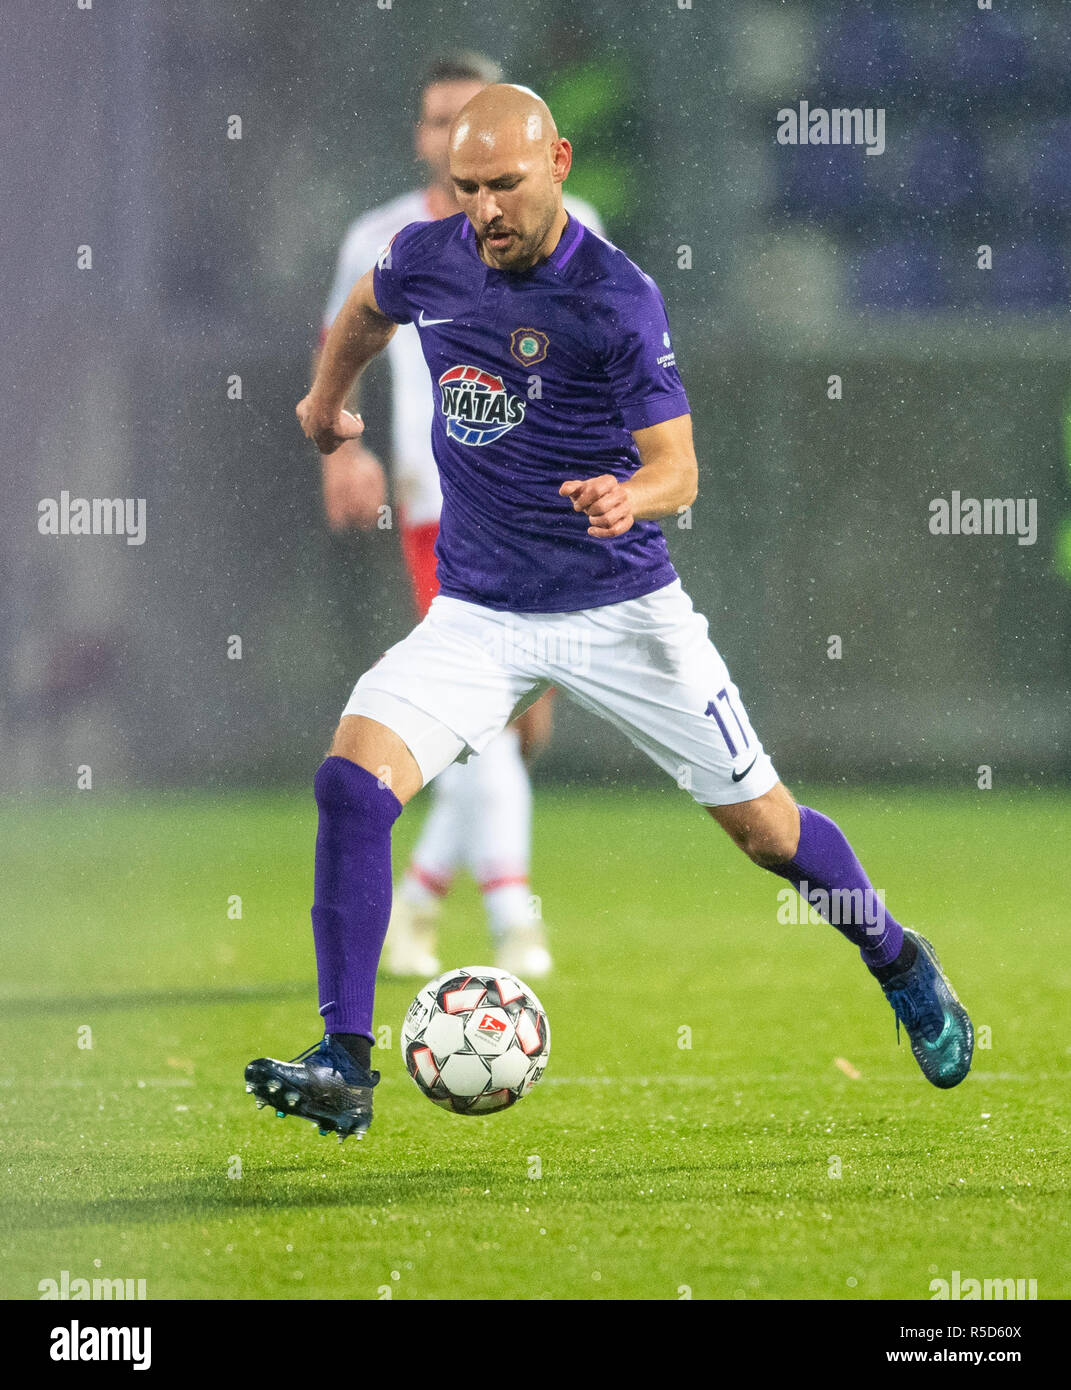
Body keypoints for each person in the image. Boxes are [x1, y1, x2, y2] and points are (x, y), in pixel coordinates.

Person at [245, 84, 973, 1142]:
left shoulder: (613, 295)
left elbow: (679, 465)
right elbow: (366, 305)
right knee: (351, 784)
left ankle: (900, 959)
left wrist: (632, 493)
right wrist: (328, 403)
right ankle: (345, 1063)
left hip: (622, 609)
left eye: (506, 185)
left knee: (770, 833)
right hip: (480, 612)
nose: (486, 209)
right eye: (469, 188)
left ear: (560, 164)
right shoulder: (430, 255)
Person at [318, 52, 606, 981]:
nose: (452, 140)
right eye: (439, 122)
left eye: (470, 121)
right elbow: (342, 342)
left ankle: (415, 908)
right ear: (423, 135)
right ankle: (515, 923)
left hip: (551, 511)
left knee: (510, 728)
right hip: (442, 509)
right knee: (486, 718)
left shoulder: (577, 231)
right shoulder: (387, 235)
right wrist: (348, 451)